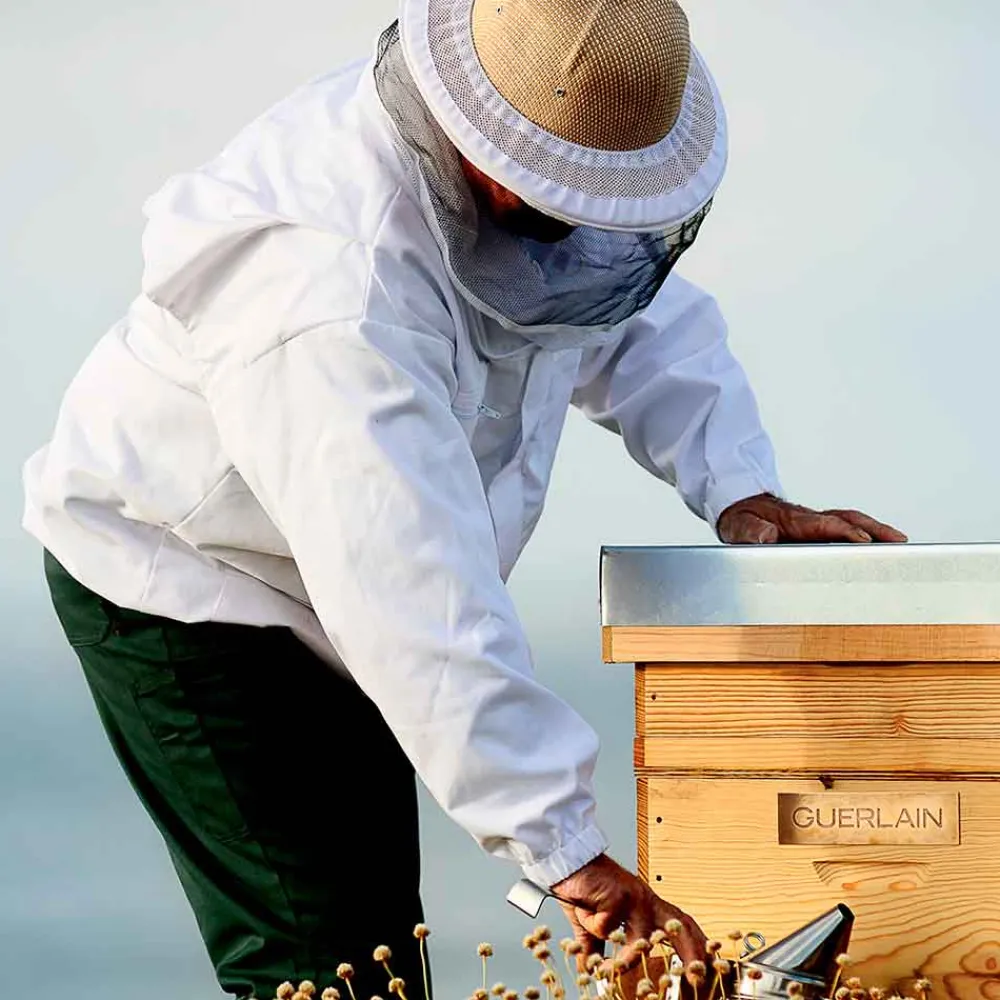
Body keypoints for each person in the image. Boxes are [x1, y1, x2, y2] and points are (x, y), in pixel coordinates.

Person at [22, 0, 906, 997]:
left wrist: (740, 482)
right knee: (332, 961)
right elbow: (407, 579)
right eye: (562, 195)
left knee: (379, 934)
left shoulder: (547, 185)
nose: (579, 227)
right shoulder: (332, 286)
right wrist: (568, 855)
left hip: (345, 585)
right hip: (189, 577)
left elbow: (628, 316)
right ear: (490, 146)